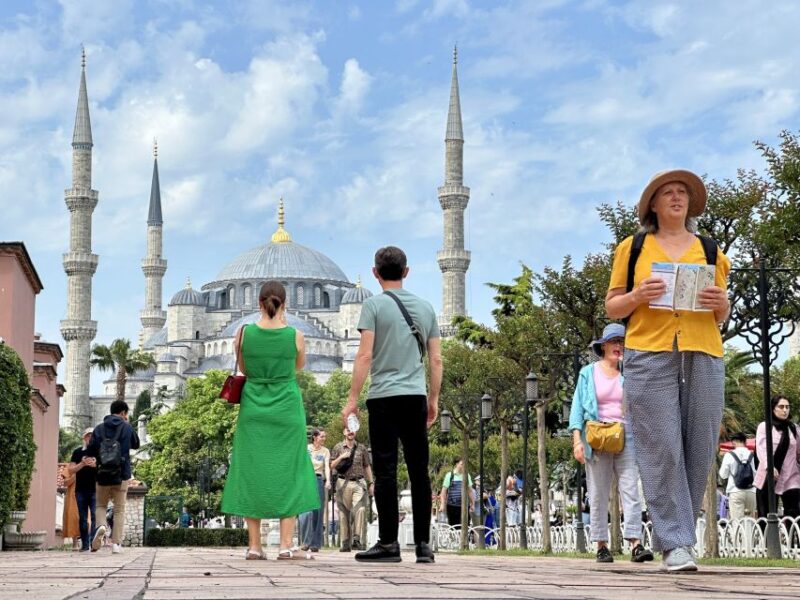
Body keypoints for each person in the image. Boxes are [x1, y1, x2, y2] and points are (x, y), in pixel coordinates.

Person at [605, 169, 731, 572]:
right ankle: (675, 543)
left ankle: (680, 536)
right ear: (653, 205)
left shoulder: (712, 251)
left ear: (690, 204)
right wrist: (638, 295)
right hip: (649, 351)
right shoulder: (634, 247)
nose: (677, 198)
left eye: (683, 193)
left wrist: (720, 304)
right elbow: (612, 307)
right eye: (668, 193)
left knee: (698, 446)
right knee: (661, 448)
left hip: (704, 350)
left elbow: (723, 315)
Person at [342, 245, 442, 564]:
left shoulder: (372, 306)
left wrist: (352, 400)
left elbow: (365, 355)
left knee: (385, 470)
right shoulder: (425, 308)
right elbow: (436, 359)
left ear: (375, 273)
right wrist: (434, 398)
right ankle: (424, 546)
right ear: (407, 272)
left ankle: (388, 544)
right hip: (415, 396)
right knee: (418, 471)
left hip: (383, 397)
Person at [221, 281, 320, 560]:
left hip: (254, 407)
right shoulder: (295, 335)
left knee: (253, 470)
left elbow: (243, 368)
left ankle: (254, 546)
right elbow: (297, 367)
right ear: (284, 304)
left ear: (259, 304)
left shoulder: (243, 333)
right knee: (289, 469)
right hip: (286, 408)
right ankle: (286, 546)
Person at [569, 323, 653, 564]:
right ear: (603, 345)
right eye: (615, 342)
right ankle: (601, 545)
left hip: (626, 433)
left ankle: (636, 543)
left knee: (631, 489)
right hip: (596, 433)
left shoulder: (630, 372)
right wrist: (577, 441)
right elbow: (576, 409)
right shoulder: (588, 372)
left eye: (622, 342)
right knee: (598, 492)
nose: (619, 346)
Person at [87, 400, 141, 554]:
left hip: (102, 474)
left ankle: (102, 526)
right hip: (122, 474)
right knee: (119, 509)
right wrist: (127, 425)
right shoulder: (127, 427)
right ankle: (116, 544)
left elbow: (90, 450)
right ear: (124, 413)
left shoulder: (99, 429)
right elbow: (136, 444)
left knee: (100, 506)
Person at [755, 395, 800, 519]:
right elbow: (761, 449)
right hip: (768, 477)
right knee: (767, 515)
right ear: (773, 409)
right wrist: (769, 466)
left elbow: (798, 452)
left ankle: (792, 538)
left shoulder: (793, 428)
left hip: (791, 477)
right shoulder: (765, 427)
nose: (785, 410)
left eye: (787, 407)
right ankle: (768, 538)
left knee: (794, 514)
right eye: (781, 407)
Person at [331, 427, 373, 552]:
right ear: (344, 432)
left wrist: (371, 483)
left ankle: (356, 539)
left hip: (359, 483)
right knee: (343, 514)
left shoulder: (362, 448)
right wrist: (341, 457)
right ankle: (345, 542)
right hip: (342, 482)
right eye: (348, 429)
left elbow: (367, 466)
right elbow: (331, 465)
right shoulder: (338, 447)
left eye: (353, 429)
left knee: (360, 509)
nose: (350, 432)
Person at [299, 428, 331, 552]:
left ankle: (315, 544)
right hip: (306, 479)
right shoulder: (306, 449)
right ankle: (305, 541)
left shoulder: (325, 451)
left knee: (318, 511)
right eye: (322, 436)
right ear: (315, 437)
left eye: (324, 436)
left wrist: (327, 480)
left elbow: (327, 467)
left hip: (318, 479)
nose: (324, 438)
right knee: (306, 511)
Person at [68, 427, 97, 552]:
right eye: (88, 435)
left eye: (92, 436)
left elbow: (104, 468)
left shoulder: (98, 452)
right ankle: (85, 545)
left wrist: (95, 464)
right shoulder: (77, 452)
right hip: (80, 490)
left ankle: (93, 543)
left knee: (96, 516)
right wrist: (83, 464)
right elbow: (71, 469)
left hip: (95, 489)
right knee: (83, 518)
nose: (90, 438)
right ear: (84, 437)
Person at [719, 432, 757, 520]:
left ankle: (739, 534)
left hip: (735, 491)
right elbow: (755, 473)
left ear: (734, 442)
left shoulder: (729, 455)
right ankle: (749, 534)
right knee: (750, 520)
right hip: (751, 491)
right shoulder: (753, 455)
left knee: (737, 521)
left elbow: (723, 475)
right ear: (745, 442)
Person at [438, 459, 474, 527]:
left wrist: (473, 504)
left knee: (466, 527)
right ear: (456, 464)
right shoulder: (450, 475)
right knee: (454, 528)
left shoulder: (467, 475)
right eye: (462, 464)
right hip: (452, 507)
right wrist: (442, 504)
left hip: (465, 507)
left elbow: (470, 491)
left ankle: (465, 538)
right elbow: (443, 492)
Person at [60, 464, 80, 550]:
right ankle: (75, 544)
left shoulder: (88, 466)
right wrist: (75, 476)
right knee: (73, 519)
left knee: (87, 520)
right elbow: (65, 483)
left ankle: (88, 542)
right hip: (72, 497)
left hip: (87, 494)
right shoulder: (69, 467)